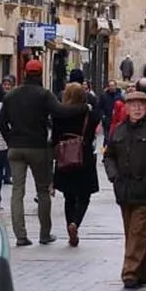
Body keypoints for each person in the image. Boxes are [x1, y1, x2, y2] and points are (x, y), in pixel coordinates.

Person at [0, 59, 89, 246]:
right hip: (37, 147)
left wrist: (10, 140)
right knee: (43, 191)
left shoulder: (11, 95)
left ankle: (20, 235)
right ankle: (44, 234)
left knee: (17, 191)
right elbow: (61, 112)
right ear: (40, 74)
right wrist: (83, 107)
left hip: (15, 147)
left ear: (25, 73)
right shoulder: (44, 95)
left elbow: (1, 123)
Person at [103, 91, 146, 289]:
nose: (137, 109)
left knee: (137, 232)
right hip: (124, 191)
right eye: (133, 105)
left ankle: (129, 272)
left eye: (141, 105)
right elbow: (108, 156)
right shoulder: (119, 130)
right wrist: (114, 177)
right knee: (133, 233)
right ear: (126, 108)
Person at [52, 82, 101, 247]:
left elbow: (54, 137)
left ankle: (69, 225)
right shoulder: (89, 114)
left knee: (69, 196)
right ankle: (76, 223)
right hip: (84, 156)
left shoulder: (59, 114)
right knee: (84, 196)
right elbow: (98, 119)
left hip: (65, 157)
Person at [98, 80, 122, 147]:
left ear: (115, 86)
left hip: (116, 121)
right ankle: (105, 150)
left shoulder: (119, 96)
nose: (112, 87)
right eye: (110, 86)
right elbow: (100, 107)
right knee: (107, 138)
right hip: (107, 120)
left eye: (113, 86)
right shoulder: (103, 96)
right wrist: (103, 116)